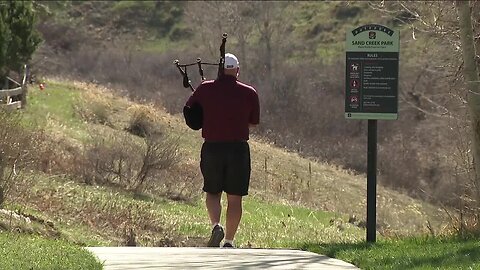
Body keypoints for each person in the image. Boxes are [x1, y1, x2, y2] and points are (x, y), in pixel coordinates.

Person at [184, 53, 260, 248]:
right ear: (237, 70)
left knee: (212, 191)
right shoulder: (249, 92)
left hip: (212, 147)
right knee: (235, 197)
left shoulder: (205, 88)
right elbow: (253, 123)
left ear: (219, 68)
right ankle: (229, 241)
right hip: (238, 149)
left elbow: (190, 111)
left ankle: (216, 225)